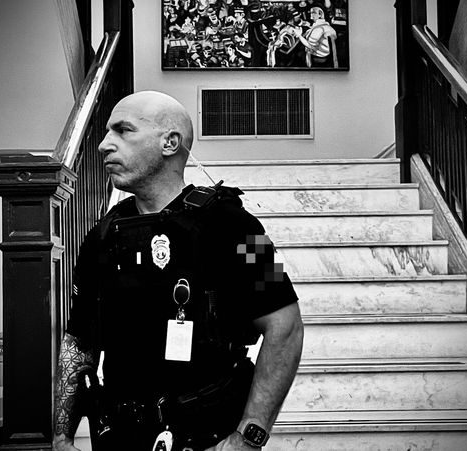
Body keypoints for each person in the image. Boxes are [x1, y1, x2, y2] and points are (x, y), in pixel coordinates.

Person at [52, 91, 304, 451]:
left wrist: (248, 438)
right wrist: (62, 437)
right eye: (107, 133)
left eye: (123, 131)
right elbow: (79, 343)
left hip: (207, 433)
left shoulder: (234, 225)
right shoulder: (101, 237)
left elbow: (286, 325)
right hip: (122, 435)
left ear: (170, 142)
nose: (104, 145)